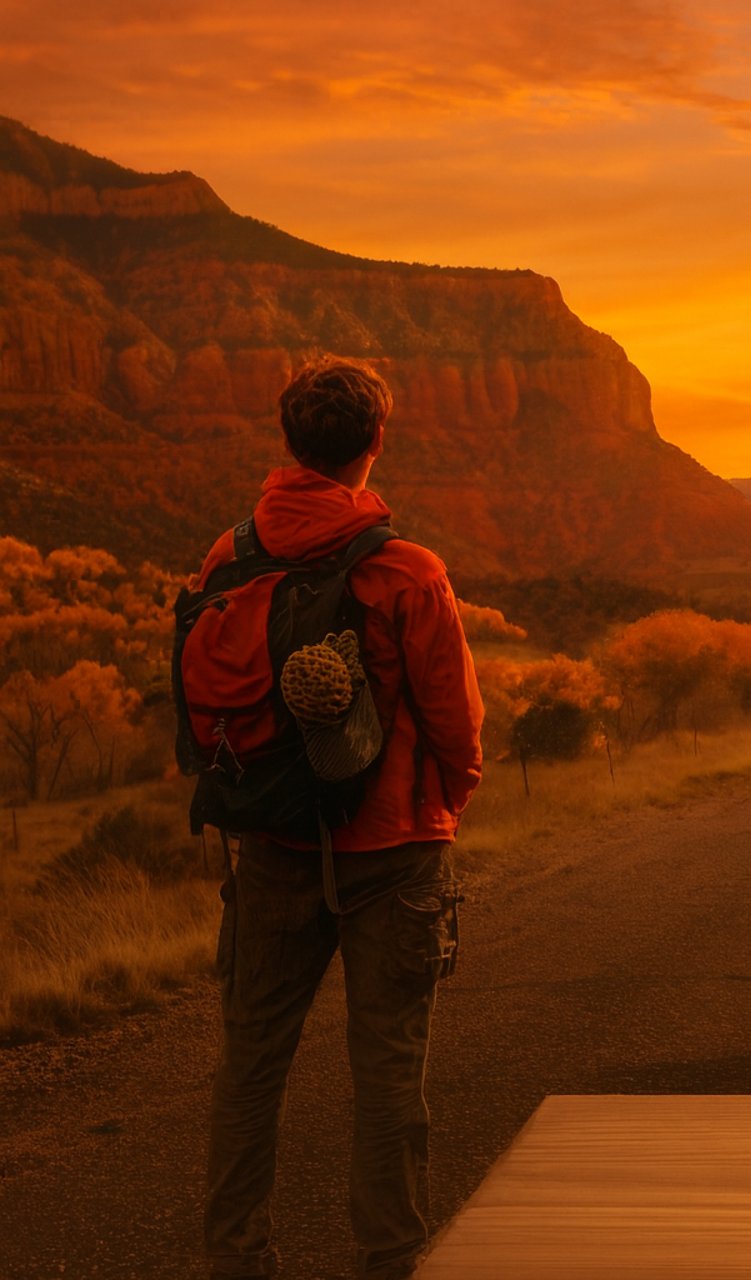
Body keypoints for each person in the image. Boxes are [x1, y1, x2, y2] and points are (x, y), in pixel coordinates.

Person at [200, 357, 484, 1279]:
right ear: (376, 442)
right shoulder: (407, 569)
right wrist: (445, 800)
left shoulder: (228, 555)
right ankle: (390, 1258)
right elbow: (456, 721)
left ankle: (237, 1259)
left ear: (289, 442)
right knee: (389, 1072)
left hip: (270, 845)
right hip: (395, 853)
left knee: (250, 1067)